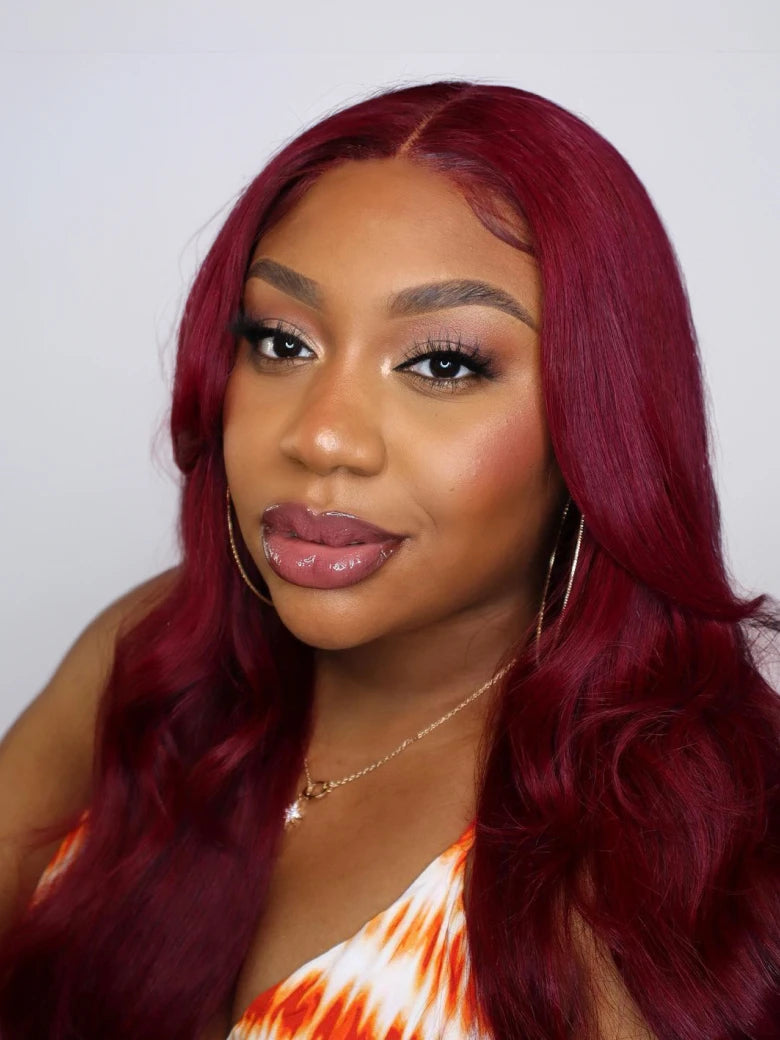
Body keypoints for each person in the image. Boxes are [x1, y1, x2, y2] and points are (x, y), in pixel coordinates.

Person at [0, 79, 777, 1040]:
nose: (321, 437)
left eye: (443, 363)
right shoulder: (155, 653)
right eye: (280, 341)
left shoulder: (670, 867)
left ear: (597, 423)